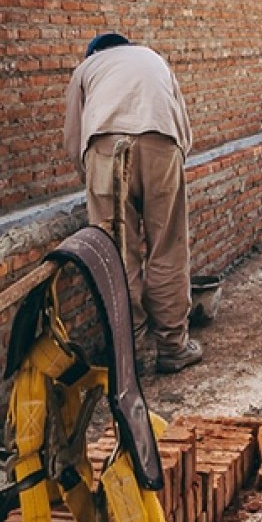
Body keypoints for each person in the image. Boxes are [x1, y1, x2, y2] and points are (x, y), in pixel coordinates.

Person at [63, 33, 202, 374]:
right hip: (161, 143)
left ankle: (131, 354)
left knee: (117, 252)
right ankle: (172, 346)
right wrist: (170, 163)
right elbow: (183, 125)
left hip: (105, 148)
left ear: (95, 53)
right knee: (167, 247)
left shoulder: (86, 68)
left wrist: (91, 176)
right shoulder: (153, 58)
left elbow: (73, 135)